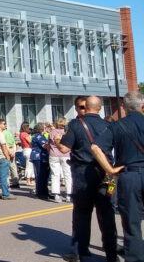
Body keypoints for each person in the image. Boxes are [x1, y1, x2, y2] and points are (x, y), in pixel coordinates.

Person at [58, 96, 117, 262]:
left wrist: (57, 141)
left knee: (82, 214)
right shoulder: (109, 125)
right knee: (107, 212)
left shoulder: (75, 125)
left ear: (84, 108)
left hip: (83, 173)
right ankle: (111, 253)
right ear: (99, 108)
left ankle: (82, 251)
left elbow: (64, 148)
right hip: (107, 175)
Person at [92, 91, 144, 262]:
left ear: (123, 107)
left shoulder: (117, 126)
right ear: (142, 106)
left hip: (129, 174)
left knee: (131, 222)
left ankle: (135, 258)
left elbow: (95, 148)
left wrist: (111, 169)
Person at [49, 117, 72, 203]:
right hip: (65, 154)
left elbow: (49, 143)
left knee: (55, 174)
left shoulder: (52, 132)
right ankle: (69, 195)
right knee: (67, 175)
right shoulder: (67, 132)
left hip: (54, 154)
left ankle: (56, 195)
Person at [30, 123, 50, 199]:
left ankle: (45, 192)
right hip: (39, 157)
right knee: (40, 175)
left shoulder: (40, 136)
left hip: (42, 157)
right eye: (45, 128)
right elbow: (44, 146)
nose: (46, 129)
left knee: (45, 175)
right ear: (41, 128)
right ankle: (40, 193)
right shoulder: (38, 136)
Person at [20, 122, 34, 186]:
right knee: (29, 165)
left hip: (25, 149)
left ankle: (30, 179)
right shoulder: (25, 134)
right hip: (28, 149)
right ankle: (28, 179)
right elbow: (30, 142)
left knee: (29, 164)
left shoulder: (21, 134)